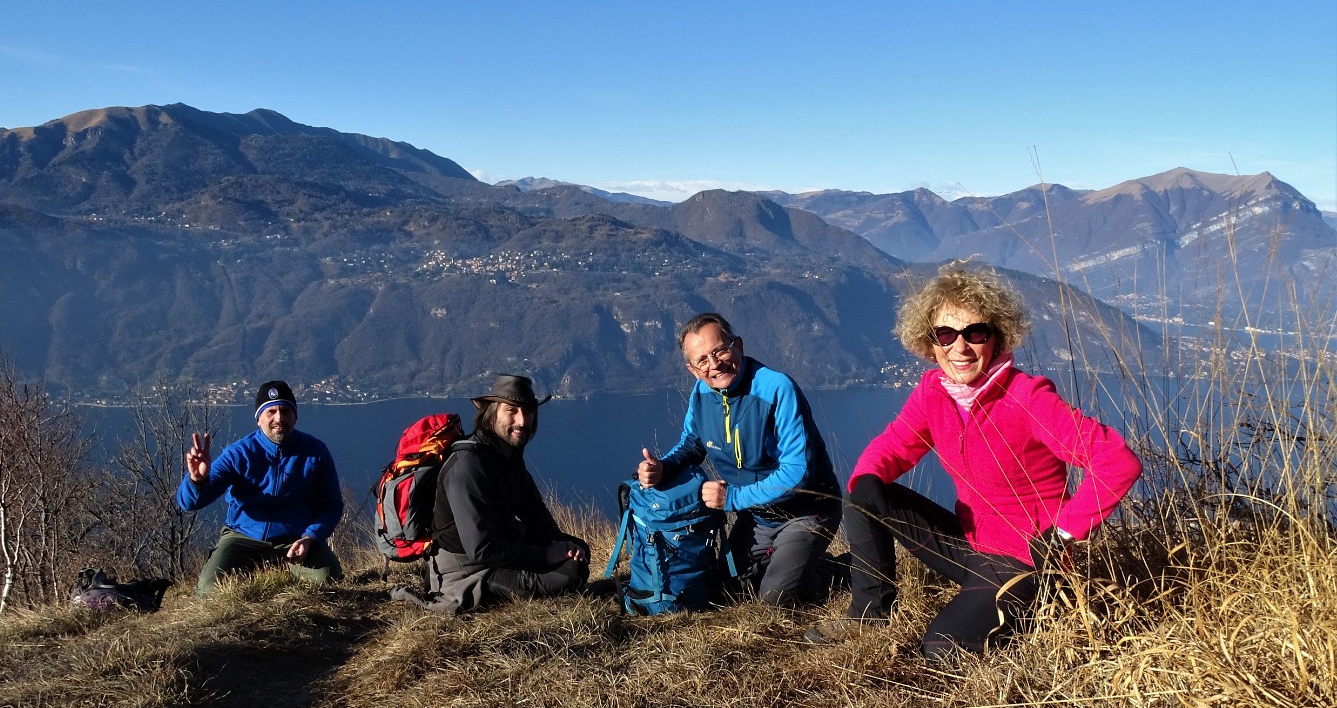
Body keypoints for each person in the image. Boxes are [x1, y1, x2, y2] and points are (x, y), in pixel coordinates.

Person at [805, 263, 1144, 658]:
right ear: (930, 342)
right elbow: (895, 444)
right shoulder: (935, 391)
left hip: (1025, 562)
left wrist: (1063, 533)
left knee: (942, 649)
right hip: (970, 545)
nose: (959, 347)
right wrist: (868, 476)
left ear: (996, 338)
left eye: (975, 333)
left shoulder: (1027, 399)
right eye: (945, 334)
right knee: (861, 493)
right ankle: (869, 612)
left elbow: (1116, 460)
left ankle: (1031, 618)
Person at [635, 313, 842, 607]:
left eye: (720, 350)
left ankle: (840, 570)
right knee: (731, 592)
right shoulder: (701, 392)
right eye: (702, 360)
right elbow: (692, 444)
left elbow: (799, 473)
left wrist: (733, 497)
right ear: (693, 370)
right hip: (757, 516)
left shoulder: (776, 388)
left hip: (808, 511)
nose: (714, 364)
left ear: (738, 345)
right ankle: (793, 563)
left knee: (775, 599)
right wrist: (662, 468)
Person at [406, 374, 590, 613]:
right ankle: (473, 593)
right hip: (466, 569)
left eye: (529, 411)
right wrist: (545, 555)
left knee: (579, 551)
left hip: (499, 549)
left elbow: (534, 512)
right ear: (492, 413)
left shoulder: (507, 457)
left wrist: (560, 544)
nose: (522, 421)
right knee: (567, 574)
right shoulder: (468, 466)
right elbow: (482, 549)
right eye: (511, 411)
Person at [177, 380, 344, 598]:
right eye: (271, 411)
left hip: (294, 539)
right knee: (209, 592)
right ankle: (258, 567)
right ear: (259, 419)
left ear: (295, 416)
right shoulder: (239, 453)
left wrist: (311, 537)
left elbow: (331, 504)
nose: (279, 418)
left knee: (328, 577)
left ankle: (278, 567)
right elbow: (188, 503)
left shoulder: (315, 452)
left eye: (285, 410)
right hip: (243, 537)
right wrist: (197, 480)